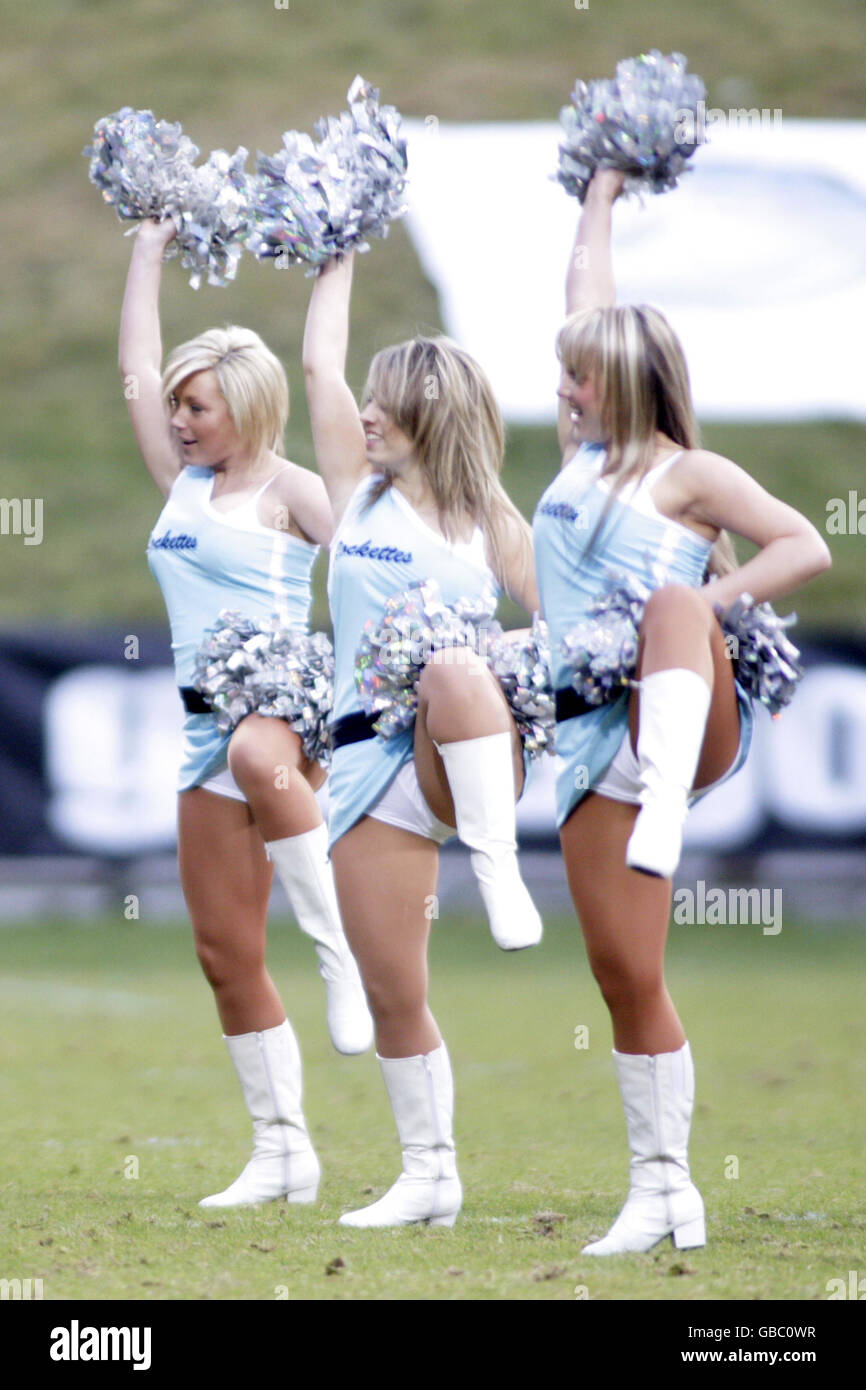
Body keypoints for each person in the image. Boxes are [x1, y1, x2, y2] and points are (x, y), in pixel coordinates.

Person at [533, 170, 831, 1254]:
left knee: (666, 601)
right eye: (561, 373)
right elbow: (584, 288)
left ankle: (663, 807)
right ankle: (664, 1191)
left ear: (618, 381)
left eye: (576, 377)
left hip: (685, 716)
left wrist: (710, 599)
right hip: (583, 740)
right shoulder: (577, 465)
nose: (561, 389)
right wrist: (599, 198)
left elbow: (806, 543)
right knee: (625, 975)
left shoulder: (687, 472)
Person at [118, 216, 373, 1209]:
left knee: (258, 752)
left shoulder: (291, 490)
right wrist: (148, 247)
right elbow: (136, 364)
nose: (180, 418)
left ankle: (340, 955)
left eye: (200, 406)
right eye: (178, 404)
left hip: (282, 714)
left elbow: (372, 561)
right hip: (199, 731)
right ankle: (282, 1150)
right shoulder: (178, 483)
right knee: (225, 954)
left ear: (250, 409)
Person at [302, 250, 541, 1227]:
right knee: (391, 985)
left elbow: (570, 628)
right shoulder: (356, 494)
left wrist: (490, 647)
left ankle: (499, 868)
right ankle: (428, 1173)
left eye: (384, 403)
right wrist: (336, 251)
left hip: (463, 746)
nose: (364, 413)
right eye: (366, 400)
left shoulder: (489, 518)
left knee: (450, 667)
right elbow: (316, 368)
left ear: (429, 413)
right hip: (364, 761)